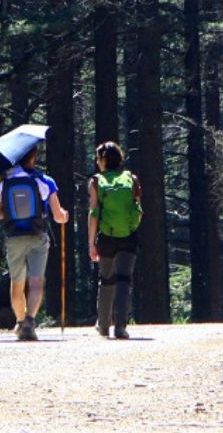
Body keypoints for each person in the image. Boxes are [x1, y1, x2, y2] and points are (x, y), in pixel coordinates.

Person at [0, 145, 68, 341]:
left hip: (14, 238)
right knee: (36, 281)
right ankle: (30, 321)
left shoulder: (4, 183)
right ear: (33, 156)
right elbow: (58, 216)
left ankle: (19, 321)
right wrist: (64, 216)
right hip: (37, 236)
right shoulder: (44, 180)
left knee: (17, 283)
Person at [88, 140, 143, 339]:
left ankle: (103, 325)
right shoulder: (132, 179)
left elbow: (94, 213)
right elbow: (138, 209)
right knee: (124, 280)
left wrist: (91, 242)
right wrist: (131, 228)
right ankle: (120, 325)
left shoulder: (96, 181)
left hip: (106, 237)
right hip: (128, 236)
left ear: (102, 160)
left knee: (106, 280)